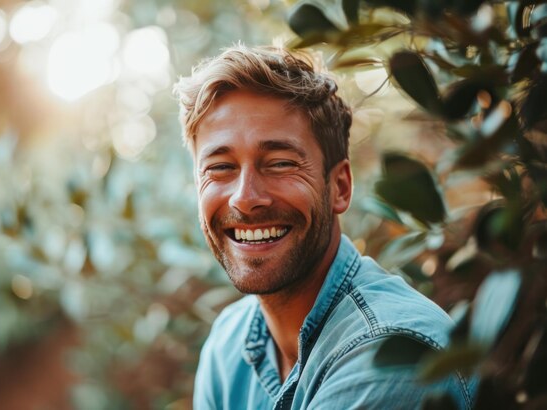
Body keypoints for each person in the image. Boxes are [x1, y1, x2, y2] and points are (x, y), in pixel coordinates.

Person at [174, 44, 475, 409]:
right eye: (220, 167)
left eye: (280, 163)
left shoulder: (391, 355)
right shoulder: (228, 344)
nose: (245, 198)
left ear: (340, 187)